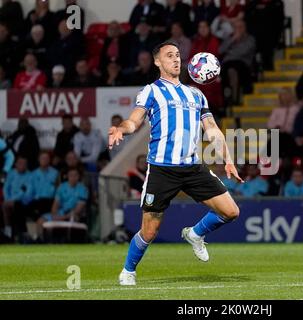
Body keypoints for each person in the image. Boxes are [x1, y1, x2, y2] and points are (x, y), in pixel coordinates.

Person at [108, 41, 243, 286]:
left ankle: (195, 233)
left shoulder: (196, 94)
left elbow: (211, 129)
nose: (176, 59)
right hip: (162, 169)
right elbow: (134, 121)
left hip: (192, 167)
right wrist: (121, 129)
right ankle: (128, 271)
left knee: (231, 211)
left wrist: (228, 159)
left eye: (178, 55)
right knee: (149, 232)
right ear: (157, 61)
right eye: (169, 56)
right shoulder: (151, 91)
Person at [36, 168, 88, 240]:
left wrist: (66, 216)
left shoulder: (83, 189)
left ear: (79, 177)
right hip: (61, 213)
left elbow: (78, 209)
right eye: (71, 175)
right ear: (67, 176)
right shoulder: (61, 187)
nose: (73, 178)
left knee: (74, 218)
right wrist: (56, 215)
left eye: (75, 175)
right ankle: (41, 240)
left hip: (73, 214)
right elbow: (55, 205)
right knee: (41, 221)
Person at [2, 157, 33, 241]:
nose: (21, 165)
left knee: (9, 206)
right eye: (19, 163)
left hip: (23, 201)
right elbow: (6, 188)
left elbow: (26, 191)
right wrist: (7, 199)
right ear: (15, 164)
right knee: (5, 206)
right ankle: (7, 231)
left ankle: (8, 231)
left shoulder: (30, 176)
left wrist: (13, 199)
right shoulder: (11, 173)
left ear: (26, 165)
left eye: (24, 164)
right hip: (9, 201)